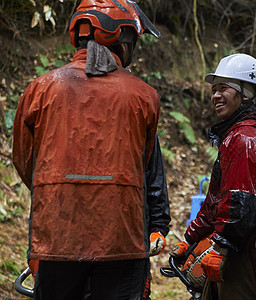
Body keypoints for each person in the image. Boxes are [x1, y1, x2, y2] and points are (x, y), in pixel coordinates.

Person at [12, 1, 170, 299]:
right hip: (122, 242)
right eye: (133, 41)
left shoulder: (40, 89)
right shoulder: (144, 97)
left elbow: (25, 162)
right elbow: (148, 167)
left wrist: (60, 190)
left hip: (56, 237)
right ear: (121, 38)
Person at [170, 53, 256, 299]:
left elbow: (242, 207)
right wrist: (191, 238)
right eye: (214, 89)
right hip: (241, 248)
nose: (215, 96)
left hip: (244, 253)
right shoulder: (241, 134)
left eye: (224, 88)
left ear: (246, 94)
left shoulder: (245, 138)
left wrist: (221, 248)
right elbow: (216, 201)